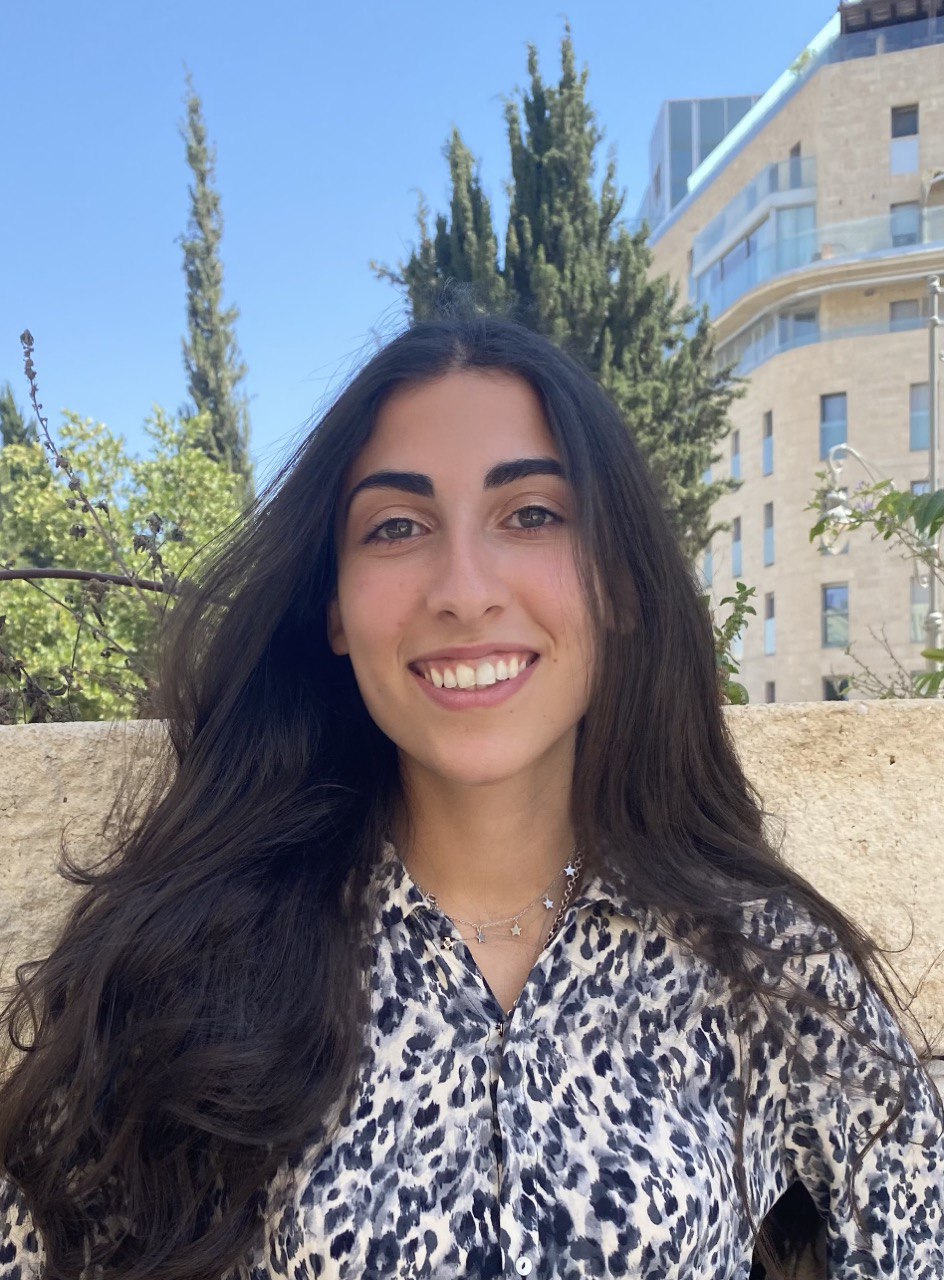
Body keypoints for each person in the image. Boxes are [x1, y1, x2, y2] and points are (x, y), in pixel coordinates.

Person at [1, 308, 941, 1280]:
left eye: (530, 513)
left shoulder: (756, 957)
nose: (462, 587)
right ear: (333, 604)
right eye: (396, 526)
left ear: (616, 580)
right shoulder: (191, 958)